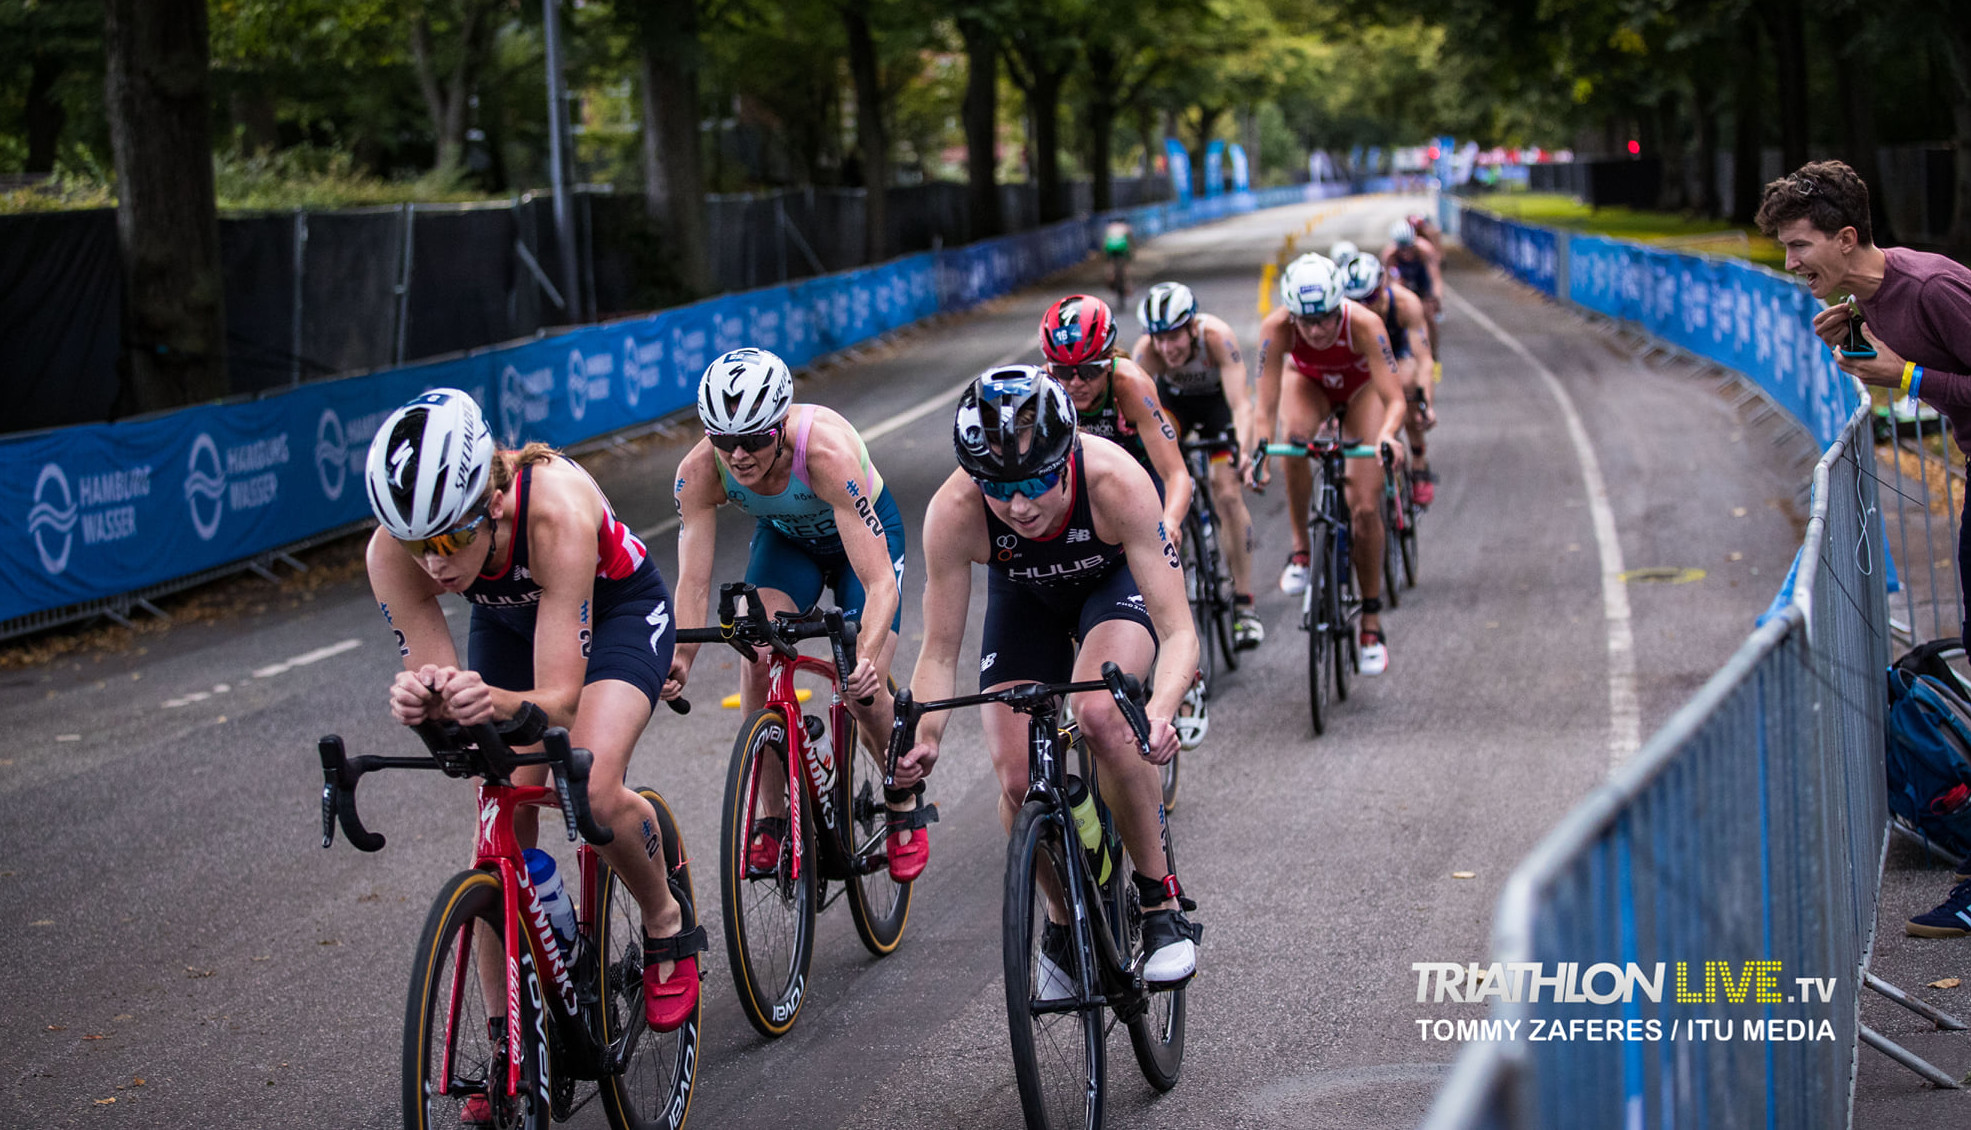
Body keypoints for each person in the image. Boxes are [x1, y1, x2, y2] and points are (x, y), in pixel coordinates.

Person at [362, 389, 704, 1056]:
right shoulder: (391, 555)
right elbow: (449, 703)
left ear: (491, 504)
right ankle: (507, 1044)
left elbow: (560, 701)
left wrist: (487, 701)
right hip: (512, 620)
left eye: (450, 538)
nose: (433, 562)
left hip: (617, 614)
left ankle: (664, 915)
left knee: (589, 788)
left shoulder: (553, 512)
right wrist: (427, 704)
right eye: (415, 543)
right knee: (497, 813)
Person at [900, 367, 1202, 988]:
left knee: (1101, 717)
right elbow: (938, 651)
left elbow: (1179, 632)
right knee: (1017, 778)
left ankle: (1159, 902)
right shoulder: (954, 512)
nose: (1019, 505)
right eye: (998, 486)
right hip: (1027, 599)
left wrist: (1163, 710)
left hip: (1111, 588)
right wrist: (924, 734)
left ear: (1067, 455)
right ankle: (1065, 925)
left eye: (1038, 479)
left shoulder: (1116, 480)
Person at [1755, 160, 1971, 939]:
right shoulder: (1876, 296)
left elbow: (1933, 369)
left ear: (1848, 239)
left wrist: (1905, 374)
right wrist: (1863, 338)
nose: (1790, 265)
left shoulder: (1930, 286)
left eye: (1800, 246)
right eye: (1784, 249)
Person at [665, 348, 931, 880]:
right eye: (723, 440)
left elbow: (880, 582)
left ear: (781, 426)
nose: (738, 455)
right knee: (755, 647)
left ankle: (902, 795)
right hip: (790, 544)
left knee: (861, 681)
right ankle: (772, 816)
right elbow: (693, 580)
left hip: (864, 540)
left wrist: (869, 655)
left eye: (754, 440)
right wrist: (681, 657)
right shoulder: (699, 472)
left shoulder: (825, 456)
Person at [1249, 253, 1407, 676]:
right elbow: (1263, 407)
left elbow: (1394, 399)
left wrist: (1388, 435)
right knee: (1294, 440)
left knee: (1366, 508)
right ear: (1291, 315)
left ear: (1341, 306)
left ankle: (1371, 621)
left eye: (1326, 318)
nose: (1317, 330)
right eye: (1306, 321)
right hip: (1310, 385)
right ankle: (1302, 550)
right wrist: (1259, 452)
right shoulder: (1276, 329)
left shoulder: (1365, 325)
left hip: (1361, 394)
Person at [1129, 280, 1267, 648]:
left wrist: (1242, 450)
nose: (1167, 347)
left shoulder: (1217, 337)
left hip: (1218, 409)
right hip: (1177, 411)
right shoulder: (1148, 352)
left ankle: (1244, 603)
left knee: (1227, 494)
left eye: (1174, 336)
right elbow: (1136, 413)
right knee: (1162, 477)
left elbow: (1241, 405)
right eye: (1159, 338)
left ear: (1192, 328)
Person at [1038, 294, 1193, 544]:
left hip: (1143, 471)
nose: (1076, 383)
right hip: (1087, 479)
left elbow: (1176, 473)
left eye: (1089, 370)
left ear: (1109, 362)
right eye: (1064, 371)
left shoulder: (1131, 385)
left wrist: (1171, 522)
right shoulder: (1044, 389)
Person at [1336, 251, 1440, 507]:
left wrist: (1425, 401)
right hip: (1364, 357)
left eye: (1370, 298)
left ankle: (1418, 460)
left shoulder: (1406, 304)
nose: (1364, 308)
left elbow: (1425, 360)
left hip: (1398, 352)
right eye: (1356, 301)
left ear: (1383, 286)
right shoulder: (1342, 313)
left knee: (1406, 386)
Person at [1383, 218, 1444, 356]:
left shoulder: (1425, 250)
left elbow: (1436, 279)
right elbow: (1386, 285)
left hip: (1422, 281)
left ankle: (1434, 355)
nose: (1406, 253)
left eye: (1408, 247)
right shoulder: (1389, 255)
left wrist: (1436, 299)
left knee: (1430, 318)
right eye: (1401, 248)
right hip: (1404, 284)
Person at [1102, 216, 1134, 303]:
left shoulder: (1109, 227)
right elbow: (1131, 241)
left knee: (1110, 265)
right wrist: (1131, 254)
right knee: (1126, 267)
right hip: (1122, 248)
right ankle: (1127, 286)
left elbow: (1105, 242)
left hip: (1111, 249)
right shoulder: (1126, 227)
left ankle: (1110, 277)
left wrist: (1105, 255)